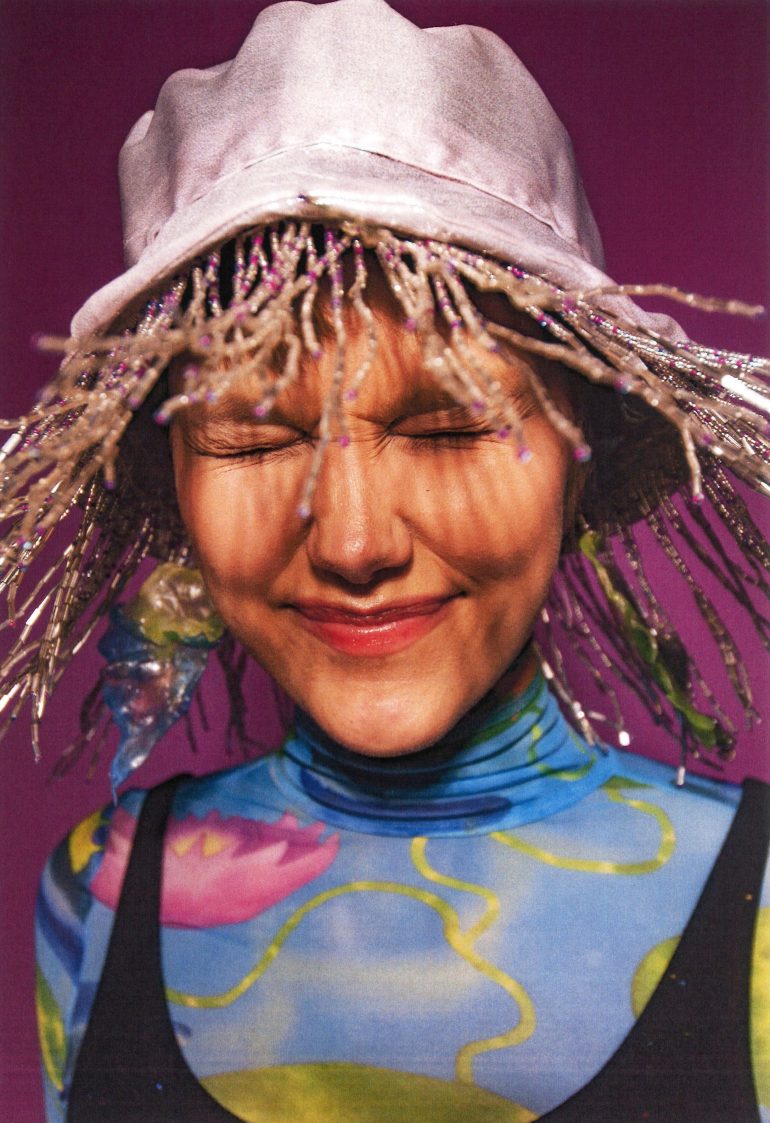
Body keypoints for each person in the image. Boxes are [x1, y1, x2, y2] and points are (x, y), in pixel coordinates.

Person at [2, 1, 768, 1120]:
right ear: (172, 478)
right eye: (252, 440)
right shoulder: (101, 891)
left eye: (448, 428)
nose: (354, 543)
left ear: (581, 452)